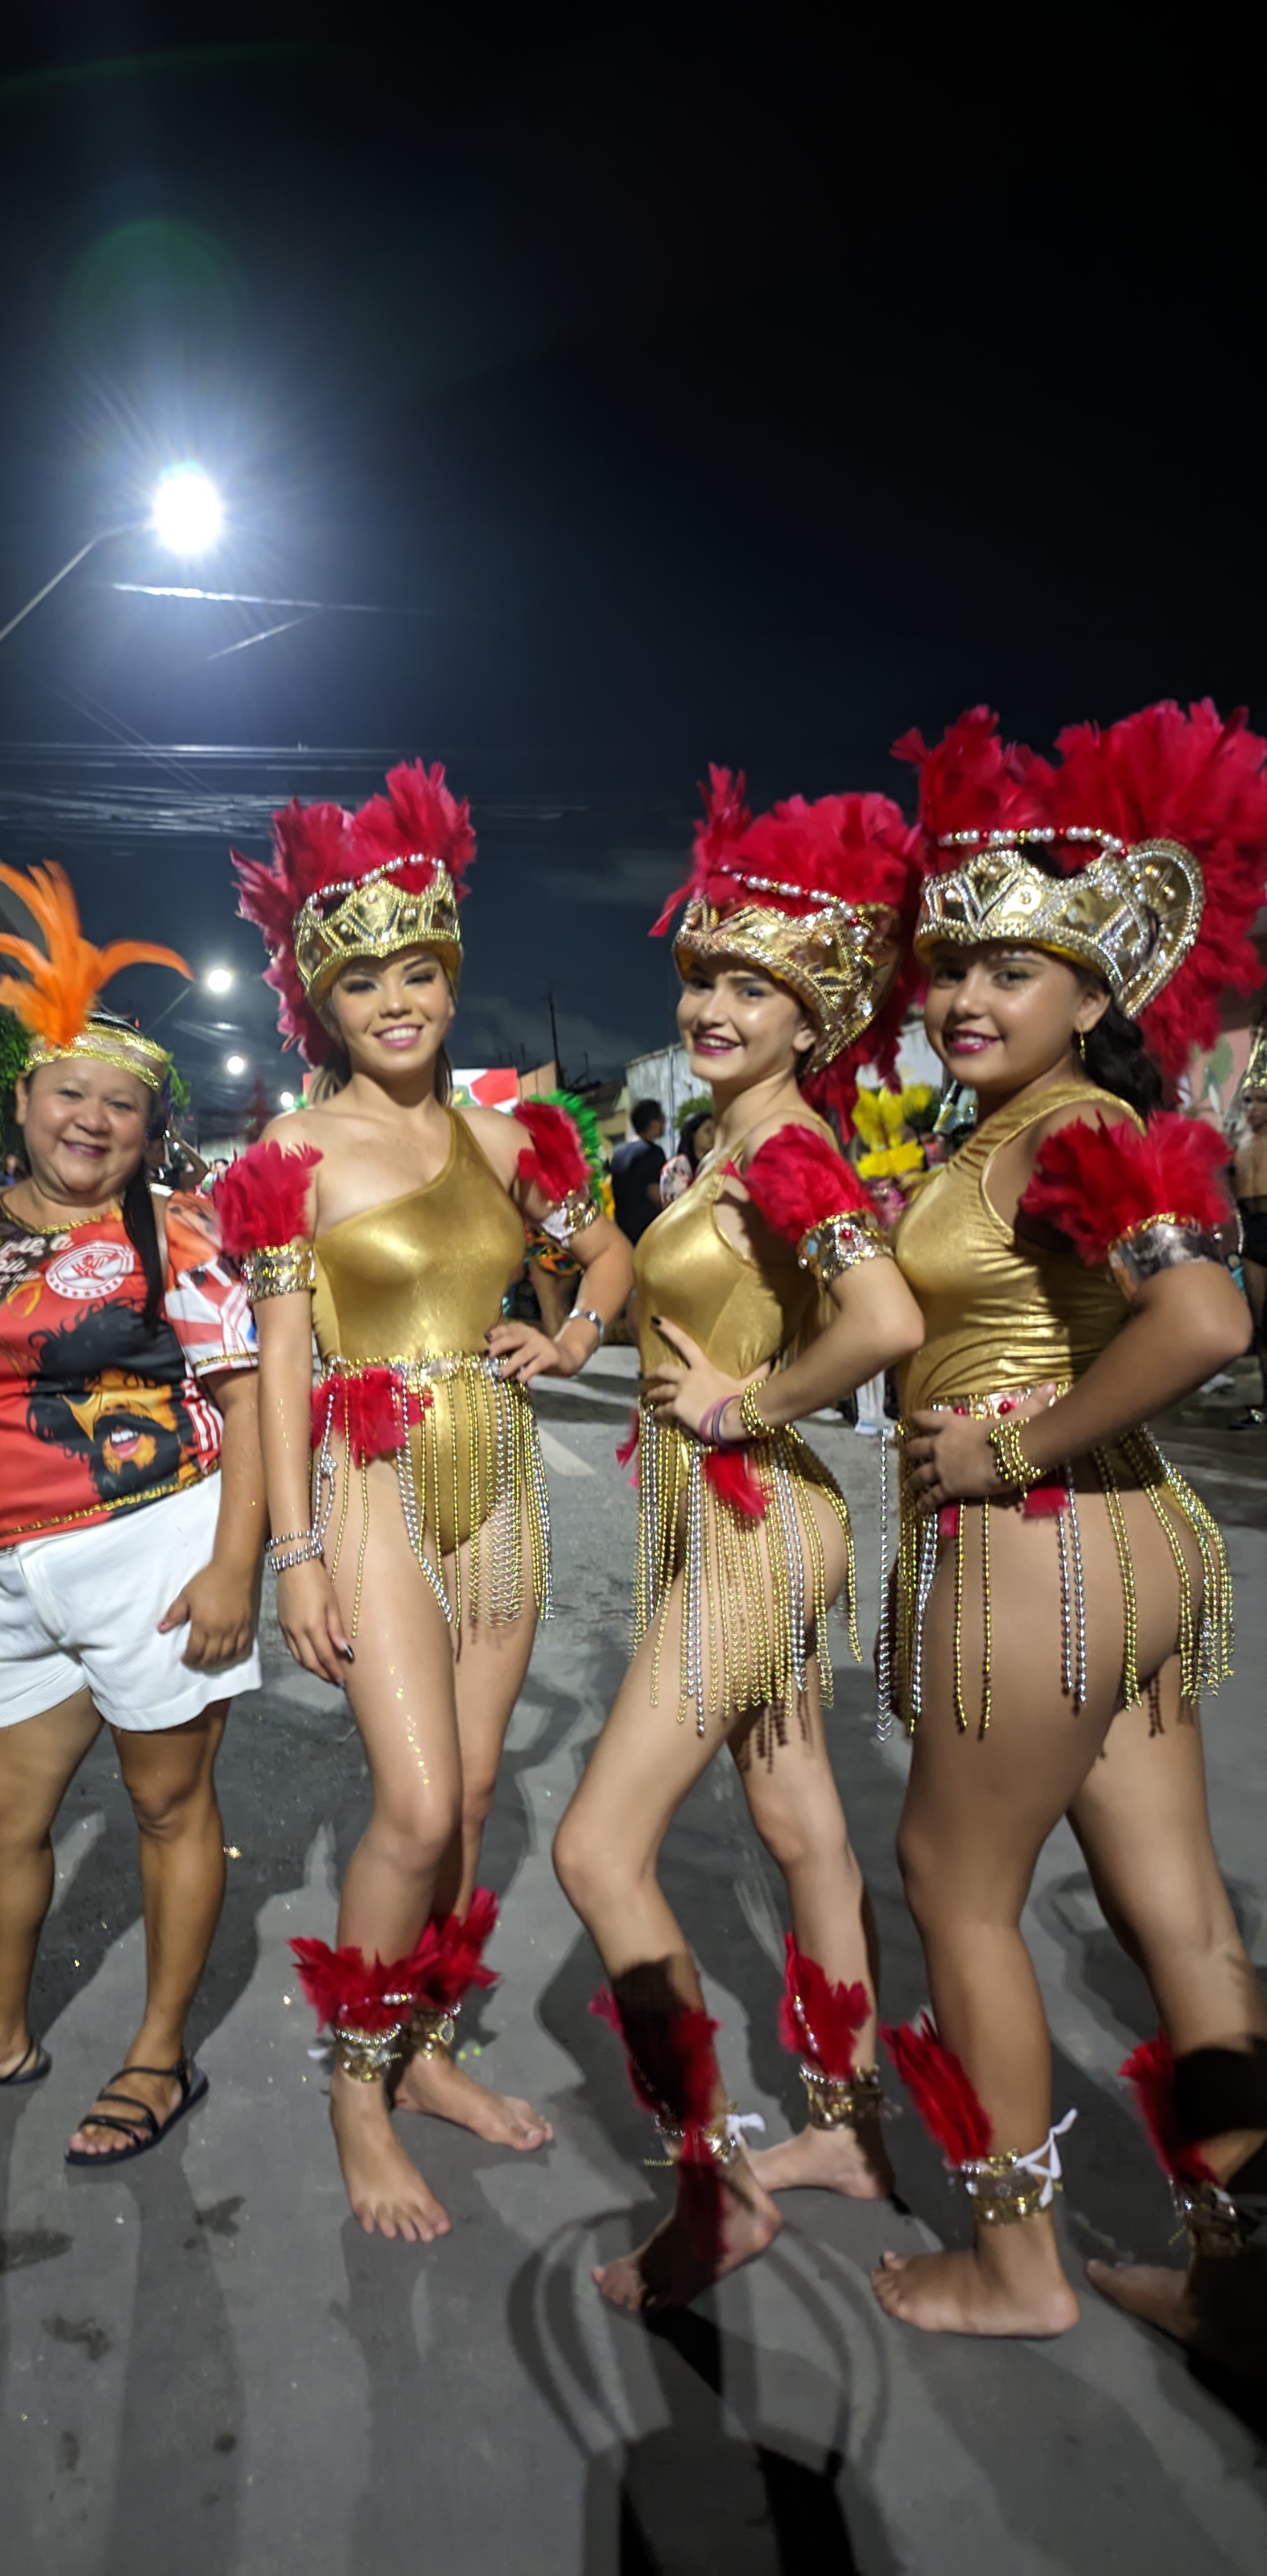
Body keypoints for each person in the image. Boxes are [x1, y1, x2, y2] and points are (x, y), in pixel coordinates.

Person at [876, 702, 1267, 2354]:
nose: (966, 995)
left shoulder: (1073, 1129)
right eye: (950, 963)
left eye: (1014, 969)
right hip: (1129, 1546)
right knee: (1178, 1913)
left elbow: (1206, 1318)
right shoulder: (1015, 1129)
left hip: (1043, 1541)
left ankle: (1015, 2261)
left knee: (952, 1882)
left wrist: (1006, 1443)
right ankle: (1241, 2280)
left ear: (1094, 997)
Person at [223, 762, 632, 2239]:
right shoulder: (288, 1155)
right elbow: (281, 1360)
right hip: (373, 1476)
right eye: (361, 983)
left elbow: (606, 1256)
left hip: (499, 1473)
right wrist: (294, 1554)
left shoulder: (515, 1139)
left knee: (467, 1795)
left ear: (451, 977)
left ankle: (429, 2046)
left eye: (417, 972)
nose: (395, 1002)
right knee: (408, 1800)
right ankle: (356, 2086)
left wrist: (573, 1335)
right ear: (319, 1005)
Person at [552, 771, 924, 2312]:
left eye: (750, 988)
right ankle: (847, 2125)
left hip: (755, 1517)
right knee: (802, 1826)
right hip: (747, 1515)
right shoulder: (732, 1140)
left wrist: (746, 1400)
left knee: (595, 1849)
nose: (712, 1005)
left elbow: (883, 1318)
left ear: (810, 1013)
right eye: (702, 976)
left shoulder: (784, 1150)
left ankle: (712, 2190)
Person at [0, 864, 266, 2168]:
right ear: (21, 1100)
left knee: (168, 1806)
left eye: (121, 1103)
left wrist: (234, 1567)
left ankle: (158, 2057)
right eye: (69, 1092)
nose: (91, 1119)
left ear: (150, 1127)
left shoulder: (179, 1233)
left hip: (155, 1544)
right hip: (15, 1569)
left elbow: (250, 1402)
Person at [1230, 1039, 1267, 1428]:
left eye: (1260, 1100)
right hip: (1252, 1234)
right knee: (1261, 1323)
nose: (1252, 1108)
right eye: (1247, 1101)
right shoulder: (1238, 1146)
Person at [610, 1099, 667, 1242]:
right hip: (649, 1232)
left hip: (624, 1233)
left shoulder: (618, 1155)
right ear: (653, 1123)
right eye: (662, 1119)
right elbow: (656, 1193)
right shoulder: (653, 1152)